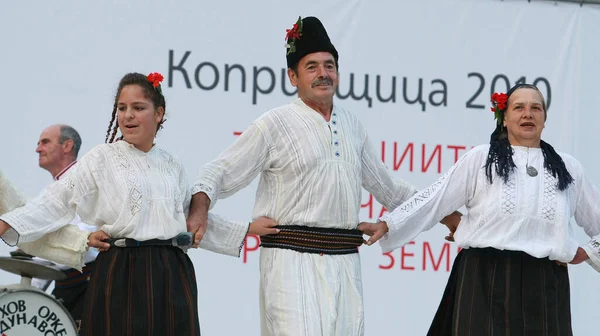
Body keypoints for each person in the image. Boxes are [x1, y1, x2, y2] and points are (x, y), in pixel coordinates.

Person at [187, 16, 461, 336]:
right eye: (312, 66)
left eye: (329, 66)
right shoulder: (275, 123)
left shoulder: (351, 126)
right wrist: (200, 205)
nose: (323, 74)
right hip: (291, 264)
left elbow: (390, 189)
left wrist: (447, 214)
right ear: (293, 76)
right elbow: (219, 171)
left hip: (345, 264)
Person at [0, 72, 279, 335]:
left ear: (159, 113)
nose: (128, 115)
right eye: (122, 108)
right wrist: (11, 221)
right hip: (121, 270)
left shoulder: (171, 165)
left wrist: (247, 229)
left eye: (138, 107)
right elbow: (56, 200)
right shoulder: (103, 158)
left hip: (171, 272)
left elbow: (186, 219)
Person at [360, 84, 600, 335]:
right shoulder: (482, 158)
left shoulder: (569, 168)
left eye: (536, 108)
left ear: (544, 119)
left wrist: (587, 253)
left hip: (545, 285)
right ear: (504, 118)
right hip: (484, 279)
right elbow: (434, 199)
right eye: (519, 107)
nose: (528, 114)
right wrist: (390, 224)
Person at [30, 124, 98, 329]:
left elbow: (86, 240)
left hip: (87, 289)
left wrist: (39, 252)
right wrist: (30, 295)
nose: (38, 149)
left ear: (67, 145)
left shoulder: (84, 182)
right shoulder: (53, 191)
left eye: (45, 142)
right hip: (64, 287)